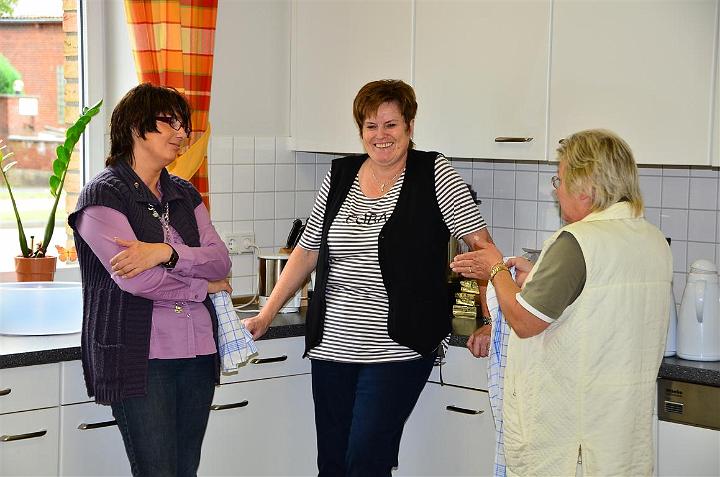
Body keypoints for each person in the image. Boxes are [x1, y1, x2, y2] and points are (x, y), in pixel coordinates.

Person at [243, 79, 491, 476]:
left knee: (366, 461)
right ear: (360, 130)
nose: (381, 135)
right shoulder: (340, 175)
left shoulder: (434, 172)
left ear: (409, 126)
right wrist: (266, 314)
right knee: (333, 464)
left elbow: (482, 248)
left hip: (399, 346)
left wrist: (491, 318)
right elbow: (307, 251)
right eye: (371, 126)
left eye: (391, 124)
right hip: (332, 347)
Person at [452, 129, 672, 476]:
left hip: (571, 442)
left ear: (586, 187)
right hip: (620, 435)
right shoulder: (651, 238)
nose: (557, 190)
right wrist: (538, 278)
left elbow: (524, 321)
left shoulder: (577, 241)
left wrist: (495, 269)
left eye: (560, 179)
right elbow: (597, 298)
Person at [68, 83, 232, 477]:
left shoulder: (184, 193)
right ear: (135, 127)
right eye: (169, 122)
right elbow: (137, 281)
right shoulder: (103, 196)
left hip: (198, 353)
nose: (182, 133)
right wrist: (200, 287)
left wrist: (166, 253)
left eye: (183, 125)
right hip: (141, 358)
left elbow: (220, 262)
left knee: (185, 470)